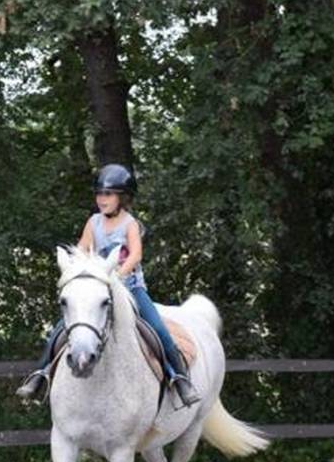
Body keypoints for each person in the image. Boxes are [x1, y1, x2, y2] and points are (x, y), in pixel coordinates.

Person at [15, 164, 200, 407]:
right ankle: (39, 376)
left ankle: (180, 379)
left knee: (159, 331)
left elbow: (135, 255)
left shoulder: (129, 224)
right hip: (96, 291)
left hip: (131, 289)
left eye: (109, 194)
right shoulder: (93, 223)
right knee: (59, 330)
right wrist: (76, 265)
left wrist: (118, 276)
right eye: (100, 194)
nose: (102, 199)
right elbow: (82, 246)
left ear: (123, 197)